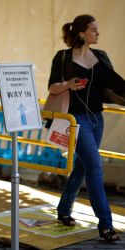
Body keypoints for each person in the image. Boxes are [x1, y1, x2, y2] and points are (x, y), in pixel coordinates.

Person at [48, 14, 125, 242]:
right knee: (95, 167)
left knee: (82, 168)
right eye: (94, 29)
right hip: (76, 119)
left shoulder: (101, 56)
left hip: (96, 119)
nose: (98, 33)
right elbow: (52, 87)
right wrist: (68, 85)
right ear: (82, 33)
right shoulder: (63, 58)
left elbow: (115, 84)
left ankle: (63, 210)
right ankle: (106, 225)